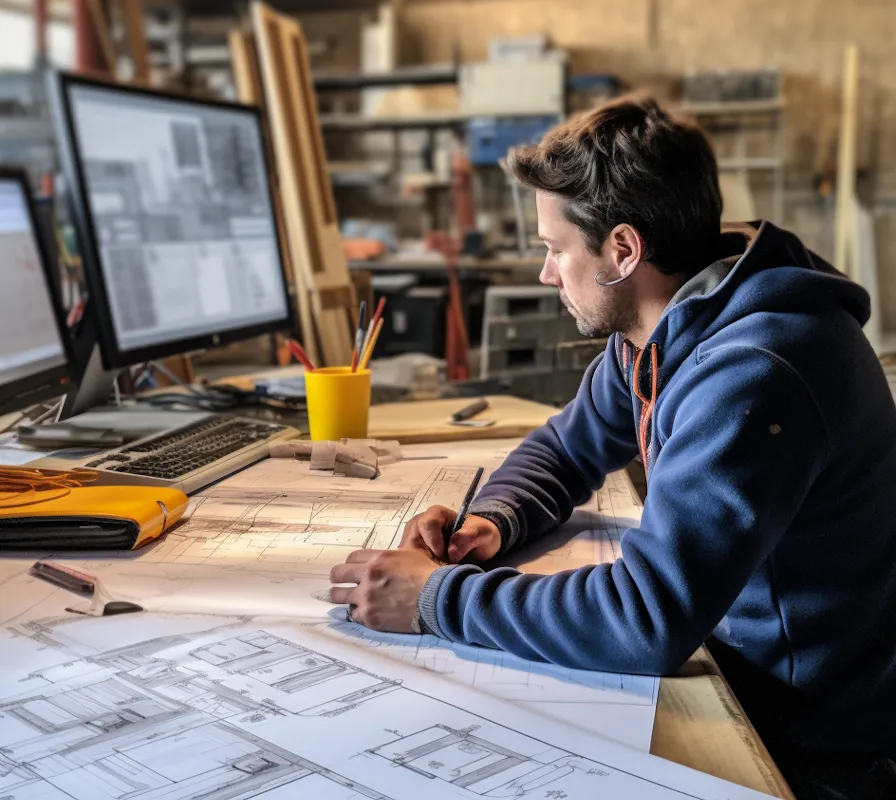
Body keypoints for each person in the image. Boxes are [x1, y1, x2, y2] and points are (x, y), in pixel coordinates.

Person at [329, 96, 896, 799]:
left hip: (809, 743)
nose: (546, 274)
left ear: (623, 251)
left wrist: (437, 600)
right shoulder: (670, 327)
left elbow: (645, 620)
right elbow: (564, 449)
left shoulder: (754, 371)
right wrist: (493, 521)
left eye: (553, 249)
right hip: (737, 675)